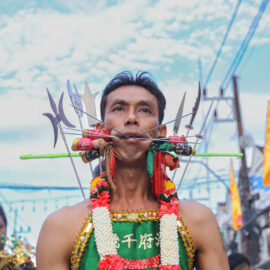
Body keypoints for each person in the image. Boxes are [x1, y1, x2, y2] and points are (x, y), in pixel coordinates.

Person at [36, 71, 229, 269]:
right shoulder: (61, 227)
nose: (131, 118)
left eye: (144, 110)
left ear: (161, 133)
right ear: (100, 130)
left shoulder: (198, 220)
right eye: (119, 108)